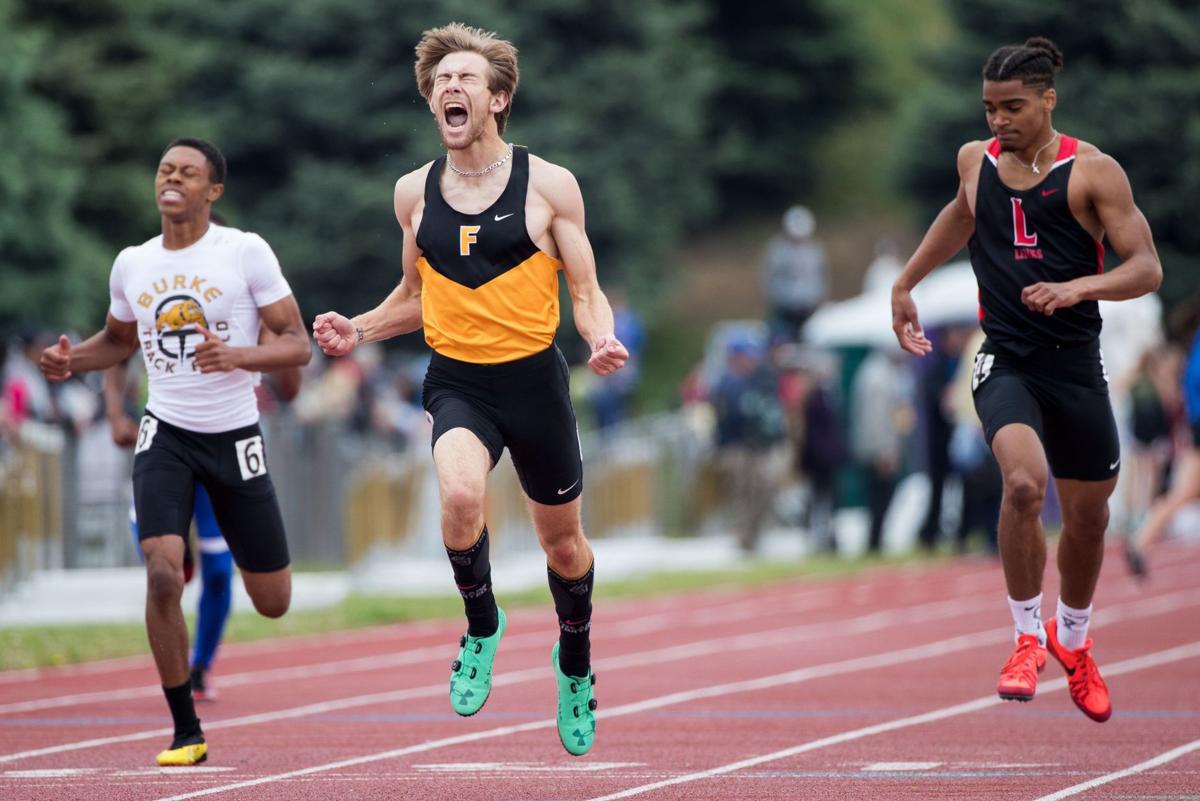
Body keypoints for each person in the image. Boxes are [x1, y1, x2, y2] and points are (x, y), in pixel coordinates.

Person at [312, 23, 626, 756]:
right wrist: (356, 330)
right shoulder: (412, 194)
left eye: (466, 80)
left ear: (498, 98)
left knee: (565, 545)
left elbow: (585, 289)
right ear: (431, 102)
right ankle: (482, 622)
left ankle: (573, 661)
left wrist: (600, 338)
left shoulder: (549, 185)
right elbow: (416, 294)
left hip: (534, 380)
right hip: (458, 380)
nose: (450, 89)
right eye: (440, 81)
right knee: (458, 497)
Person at [890, 38, 1162, 723]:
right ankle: (1023, 636)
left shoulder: (1092, 173)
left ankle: (1073, 641)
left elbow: (1146, 268)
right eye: (988, 108)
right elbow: (961, 212)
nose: (998, 122)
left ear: (1048, 100)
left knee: (1089, 517)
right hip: (1004, 357)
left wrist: (1078, 288)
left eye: (1013, 107)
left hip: (1074, 366)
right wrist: (905, 281)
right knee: (1021, 483)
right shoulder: (974, 162)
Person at [39, 137, 311, 765]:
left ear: (212, 191)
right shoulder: (133, 262)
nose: (173, 178)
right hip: (166, 435)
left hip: (236, 437)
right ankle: (185, 729)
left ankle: (246, 585)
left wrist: (238, 354)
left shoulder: (244, 252)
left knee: (273, 603)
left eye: (188, 173)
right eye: (165, 169)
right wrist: (69, 361)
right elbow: (116, 341)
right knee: (163, 572)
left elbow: (296, 345)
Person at [105, 319, 302, 702]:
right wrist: (116, 415)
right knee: (164, 570)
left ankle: (199, 667)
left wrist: (271, 345)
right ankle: (182, 555)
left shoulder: (249, 292)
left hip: (224, 450)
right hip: (168, 446)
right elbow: (117, 348)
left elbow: (291, 387)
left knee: (217, 574)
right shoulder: (157, 286)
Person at [1127, 328, 1200, 577]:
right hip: (1195, 423)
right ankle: (1140, 540)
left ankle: (1141, 541)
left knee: (1183, 492)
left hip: (1194, 423)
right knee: (1182, 492)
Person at [762, 205, 827, 343]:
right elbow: (768, 278)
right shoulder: (777, 250)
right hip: (784, 308)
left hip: (809, 308)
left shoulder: (815, 251)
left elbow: (821, 278)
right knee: (781, 342)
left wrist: (819, 301)